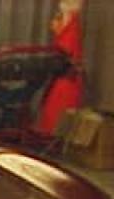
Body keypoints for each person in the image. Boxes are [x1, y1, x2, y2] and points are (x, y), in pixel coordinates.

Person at [36, 0, 85, 136]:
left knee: (58, 115)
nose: (52, 23)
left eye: (57, 19)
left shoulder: (70, 30)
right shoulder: (67, 32)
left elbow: (66, 54)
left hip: (66, 81)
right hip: (63, 79)